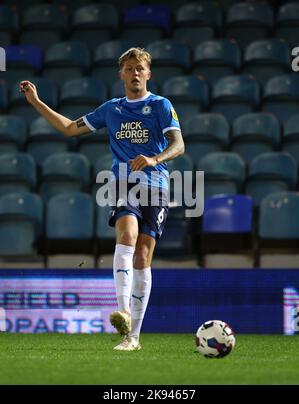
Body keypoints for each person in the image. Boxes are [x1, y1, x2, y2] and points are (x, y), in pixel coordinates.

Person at [20, 47, 185, 351]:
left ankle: (134, 337)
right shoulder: (111, 109)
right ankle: (123, 312)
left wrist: (154, 158)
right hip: (124, 183)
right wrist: (37, 102)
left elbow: (179, 145)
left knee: (143, 257)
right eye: (130, 69)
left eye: (140, 69)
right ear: (121, 74)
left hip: (157, 186)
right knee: (126, 236)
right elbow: (70, 128)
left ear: (148, 74)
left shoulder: (161, 105)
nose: (135, 73)